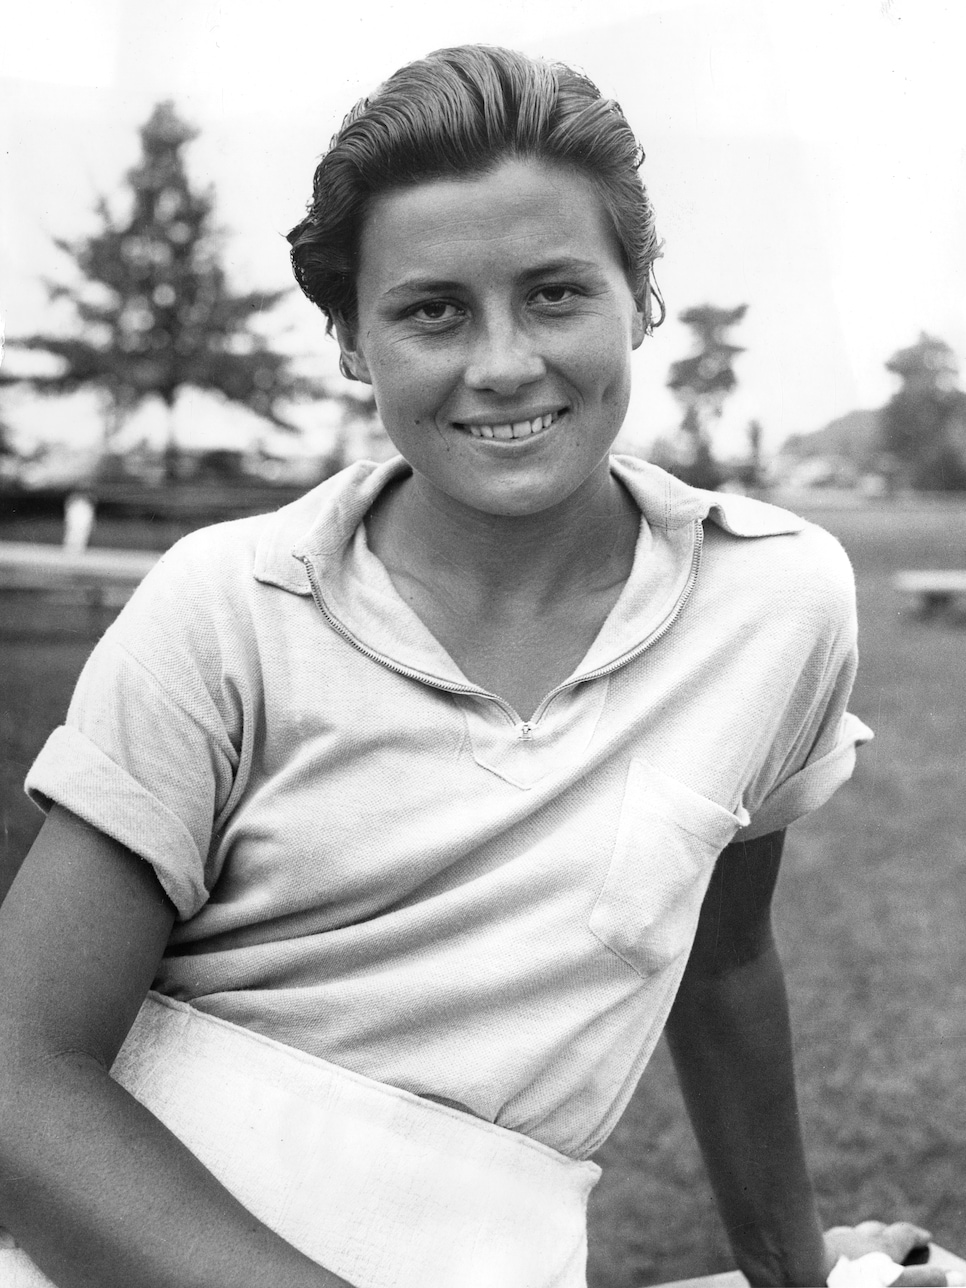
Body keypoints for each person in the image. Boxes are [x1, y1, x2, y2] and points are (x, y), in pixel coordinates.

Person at [0, 44, 957, 1288]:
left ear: (639, 299)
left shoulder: (776, 601)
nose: (503, 364)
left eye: (556, 293)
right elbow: (21, 1069)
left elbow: (721, 960)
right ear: (352, 339)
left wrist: (797, 1273)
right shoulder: (226, 606)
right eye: (432, 309)